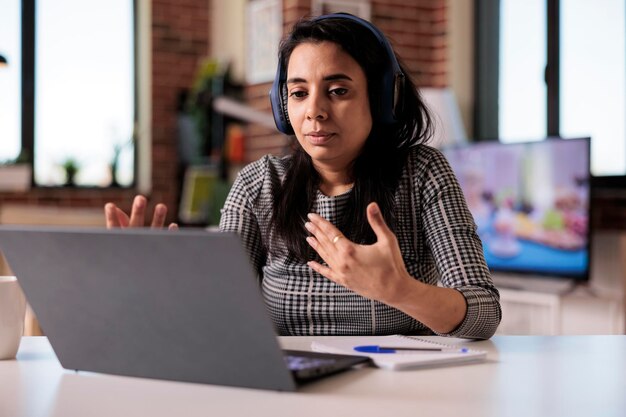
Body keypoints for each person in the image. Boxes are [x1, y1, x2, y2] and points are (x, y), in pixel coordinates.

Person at [105, 13, 501, 339]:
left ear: (381, 98)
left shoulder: (423, 174)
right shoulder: (259, 185)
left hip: (396, 393)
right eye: (298, 93)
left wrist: (400, 290)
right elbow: (218, 316)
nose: (314, 111)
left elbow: (484, 312)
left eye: (338, 91)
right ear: (282, 105)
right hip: (289, 389)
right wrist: (151, 284)